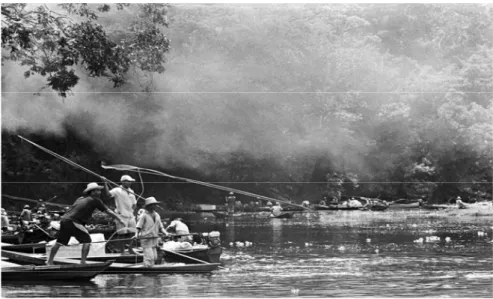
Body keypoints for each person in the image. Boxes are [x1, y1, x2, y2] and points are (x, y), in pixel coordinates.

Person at [47, 182, 125, 265]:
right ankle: (83, 262)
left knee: (59, 242)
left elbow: (77, 210)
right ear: (92, 192)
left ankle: (49, 262)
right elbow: (108, 211)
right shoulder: (95, 200)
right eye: (97, 190)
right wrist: (119, 219)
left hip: (64, 220)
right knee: (87, 240)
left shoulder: (80, 198)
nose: (100, 192)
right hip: (73, 221)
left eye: (99, 190)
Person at [104, 175, 137, 254]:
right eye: (128, 181)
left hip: (130, 215)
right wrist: (105, 183)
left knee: (133, 233)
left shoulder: (131, 191)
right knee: (122, 234)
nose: (129, 183)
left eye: (130, 182)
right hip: (121, 215)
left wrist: (132, 210)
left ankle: (130, 248)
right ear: (123, 182)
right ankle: (122, 251)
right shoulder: (117, 190)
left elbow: (134, 203)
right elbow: (108, 195)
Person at [135, 197, 168, 267]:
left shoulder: (157, 215)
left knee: (155, 257)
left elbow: (161, 227)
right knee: (149, 257)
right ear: (149, 205)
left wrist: (166, 233)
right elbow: (138, 227)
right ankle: (146, 270)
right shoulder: (144, 215)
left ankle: (151, 270)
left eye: (155, 204)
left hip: (154, 238)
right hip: (146, 238)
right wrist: (136, 235)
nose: (155, 206)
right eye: (153, 204)